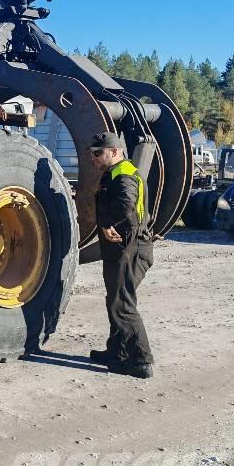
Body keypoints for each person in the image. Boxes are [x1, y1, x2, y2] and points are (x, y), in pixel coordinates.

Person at [89, 132, 154, 379]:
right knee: (115, 301)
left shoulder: (123, 174)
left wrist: (107, 223)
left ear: (115, 152)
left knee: (123, 304)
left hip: (131, 249)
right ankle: (117, 351)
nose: (93, 158)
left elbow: (126, 205)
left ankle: (140, 361)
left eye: (98, 153)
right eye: (92, 153)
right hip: (124, 248)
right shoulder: (115, 173)